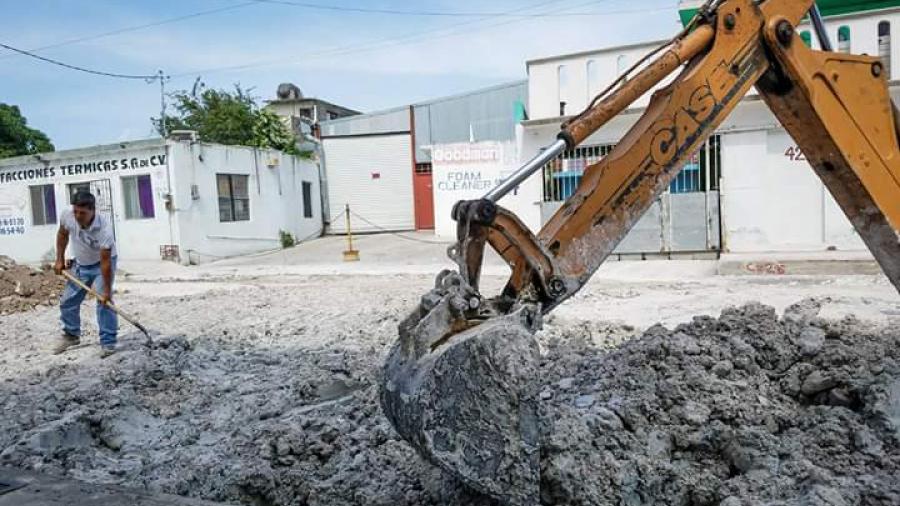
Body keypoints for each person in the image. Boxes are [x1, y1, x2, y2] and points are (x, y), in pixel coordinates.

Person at [52, 191, 118, 357]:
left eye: (83, 213)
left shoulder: (104, 230)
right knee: (68, 300)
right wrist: (59, 259)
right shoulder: (68, 215)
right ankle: (71, 335)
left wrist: (107, 291)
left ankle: (108, 342)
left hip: (102, 264)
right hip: (81, 263)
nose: (78, 216)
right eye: (76, 211)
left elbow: (105, 262)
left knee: (104, 302)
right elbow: (62, 234)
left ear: (92, 211)